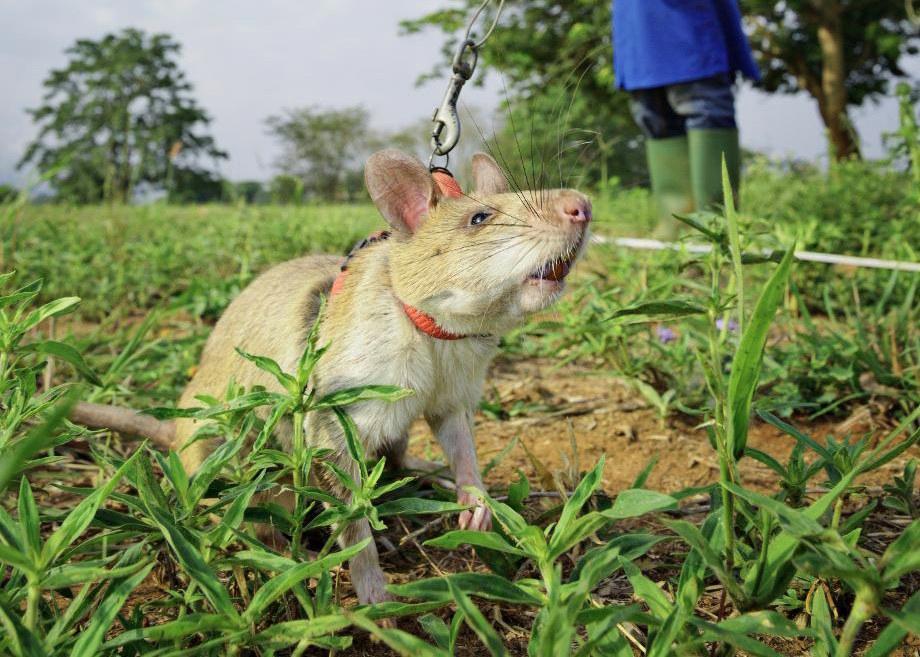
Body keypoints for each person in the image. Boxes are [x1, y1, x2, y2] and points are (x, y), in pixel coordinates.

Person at [612, 0, 761, 237]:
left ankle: (714, 232)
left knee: (705, 110)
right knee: (655, 119)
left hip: (689, 23)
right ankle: (675, 233)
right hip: (638, 24)